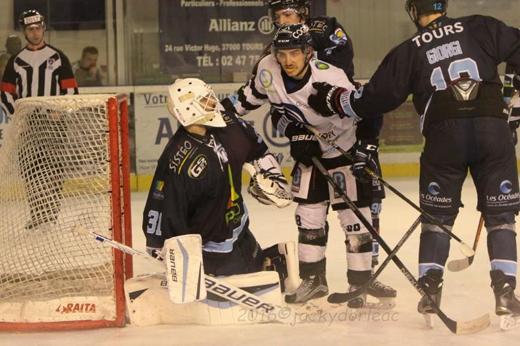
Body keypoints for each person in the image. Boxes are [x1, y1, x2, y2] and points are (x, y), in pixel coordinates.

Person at [308, 0, 520, 318]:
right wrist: (509, 96)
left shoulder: (408, 50)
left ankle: (430, 291)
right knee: (501, 217)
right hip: (493, 132)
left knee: (436, 220)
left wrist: (332, 99)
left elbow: (372, 101)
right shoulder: (481, 26)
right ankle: (505, 294)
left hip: (444, 139)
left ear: (413, 11)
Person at [226, 23, 395, 307]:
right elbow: (247, 99)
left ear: (308, 52)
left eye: (294, 53)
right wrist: (215, 115)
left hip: (344, 148)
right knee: (308, 217)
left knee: (355, 220)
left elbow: (368, 107)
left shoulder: (331, 78)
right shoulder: (268, 68)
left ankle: (360, 281)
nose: (287, 61)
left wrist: (368, 146)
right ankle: (313, 279)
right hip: (311, 155)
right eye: (282, 54)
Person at [265, 0, 389, 279]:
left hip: (344, 122)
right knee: (311, 212)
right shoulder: (275, 48)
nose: (283, 20)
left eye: (289, 13)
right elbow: (276, 102)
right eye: (278, 16)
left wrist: (325, 95)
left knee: (365, 205)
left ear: (303, 12)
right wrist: (296, 131)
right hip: (313, 135)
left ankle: (368, 272)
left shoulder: (326, 28)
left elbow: (339, 73)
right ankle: (316, 277)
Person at [142, 78, 295, 283]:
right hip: (211, 250)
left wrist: (271, 176)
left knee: (256, 267)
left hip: (240, 230)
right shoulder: (177, 160)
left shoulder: (228, 124)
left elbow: (256, 148)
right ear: (189, 109)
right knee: (246, 293)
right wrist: (163, 247)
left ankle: (257, 264)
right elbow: (162, 207)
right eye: (206, 100)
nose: (214, 102)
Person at [0, 10, 78, 230]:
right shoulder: (16, 61)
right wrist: (17, 115)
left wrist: (60, 110)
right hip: (28, 124)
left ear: (43, 28)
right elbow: (6, 93)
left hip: (54, 122)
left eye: (38, 28)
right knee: (31, 170)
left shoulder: (58, 57)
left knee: (54, 168)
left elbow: (71, 90)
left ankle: (51, 213)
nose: (35, 33)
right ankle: (37, 212)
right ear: (24, 31)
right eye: (30, 29)